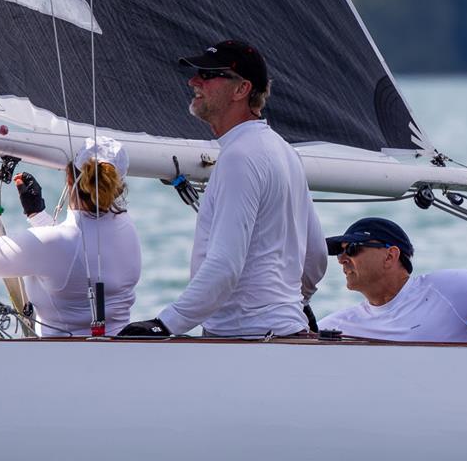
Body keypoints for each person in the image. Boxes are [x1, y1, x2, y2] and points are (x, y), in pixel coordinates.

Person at [119, 39, 327, 337]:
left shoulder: (239, 158)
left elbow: (226, 266)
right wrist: (294, 304)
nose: (194, 81)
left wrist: (166, 324)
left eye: (208, 74)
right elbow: (316, 256)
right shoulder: (285, 151)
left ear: (242, 89)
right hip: (284, 334)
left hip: (243, 340)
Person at [0, 137, 141, 336]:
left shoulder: (53, 244)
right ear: (118, 184)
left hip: (61, 361)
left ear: (70, 179)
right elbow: (72, 257)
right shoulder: (127, 228)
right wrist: (38, 216)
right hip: (118, 352)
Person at [317, 217, 467, 342]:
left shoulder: (445, 289)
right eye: (340, 252)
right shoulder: (337, 325)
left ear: (391, 255)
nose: (342, 259)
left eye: (353, 249)